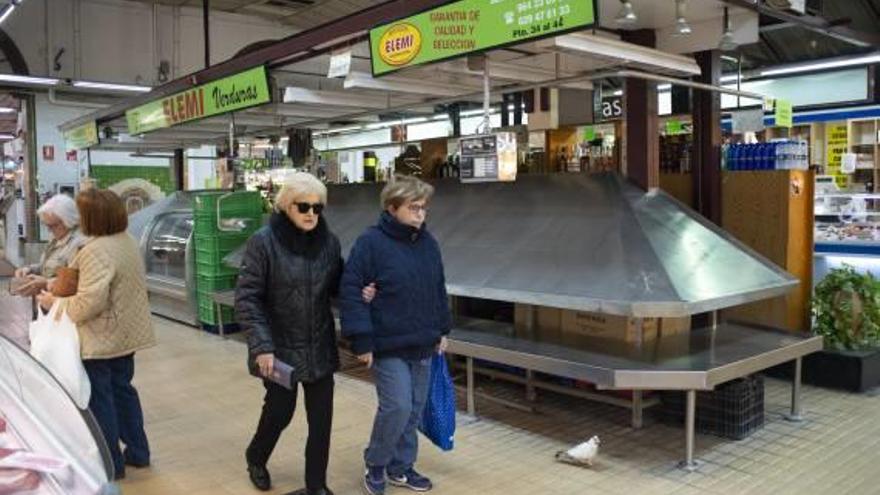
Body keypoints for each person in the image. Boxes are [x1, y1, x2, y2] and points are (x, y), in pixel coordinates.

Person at [237, 172, 375, 495]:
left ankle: (317, 487)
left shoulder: (328, 244)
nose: (312, 213)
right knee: (279, 412)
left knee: (321, 421)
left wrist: (359, 293)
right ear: (286, 206)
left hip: (319, 347)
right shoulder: (263, 243)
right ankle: (255, 456)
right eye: (304, 206)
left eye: (318, 207)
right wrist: (262, 347)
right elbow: (247, 298)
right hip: (278, 350)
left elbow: (338, 285)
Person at [340, 175, 452, 495]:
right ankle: (376, 463)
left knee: (415, 407)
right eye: (413, 208)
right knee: (398, 406)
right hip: (387, 344)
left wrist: (443, 329)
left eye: (424, 209)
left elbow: (437, 289)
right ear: (392, 208)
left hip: (423, 342)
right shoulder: (371, 243)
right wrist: (360, 339)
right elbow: (351, 291)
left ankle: (400, 467)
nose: (420, 214)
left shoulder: (428, 244)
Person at [36, 189, 155, 480]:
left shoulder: (94, 251)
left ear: (92, 217)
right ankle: (139, 453)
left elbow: (88, 304)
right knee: (124, 391)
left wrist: (55, 303)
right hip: (127, 333)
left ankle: (111, 463)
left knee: (101, 399)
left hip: (102, 338)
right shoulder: (125, 241)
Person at [14, 194, 84, 295]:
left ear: (69, 220)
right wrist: (29, 269)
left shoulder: (79, 244)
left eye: (53, 225)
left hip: (61, 304)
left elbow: (76, 282)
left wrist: (46, 282)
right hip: (47, 302)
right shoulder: (56, 238)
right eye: (46, 225)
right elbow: (46, 266)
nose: (49, 230)